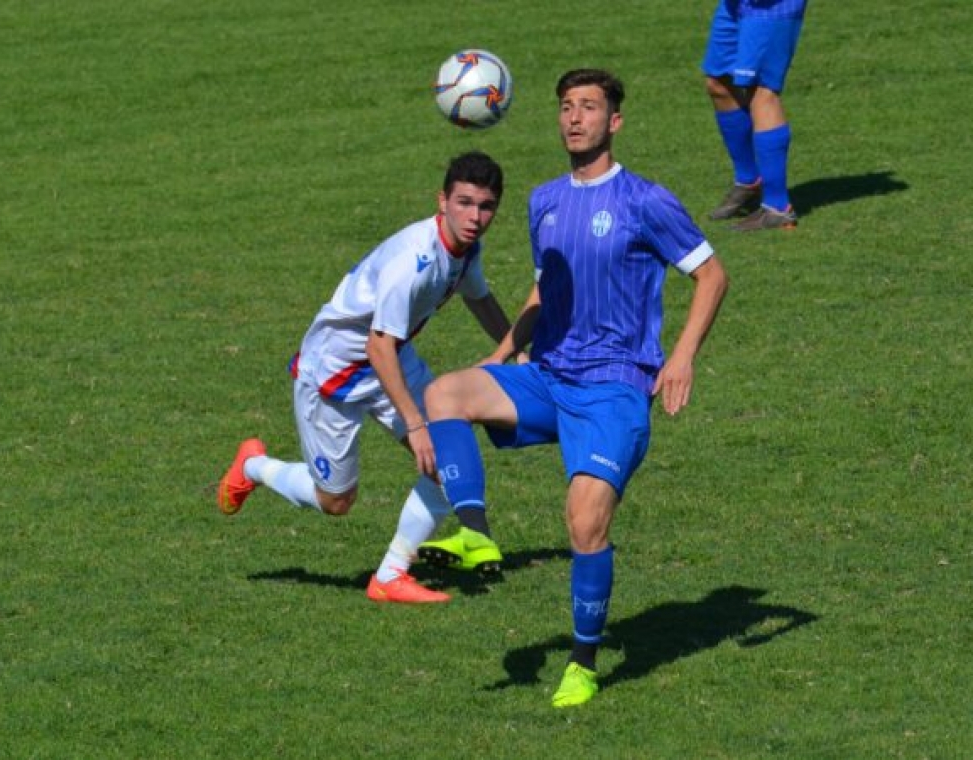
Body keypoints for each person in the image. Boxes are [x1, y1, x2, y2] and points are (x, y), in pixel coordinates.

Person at [421, 69, 729, 707]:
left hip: (614, 389)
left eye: (589, 107)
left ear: (613, 122)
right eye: (566, 107)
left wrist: (681, 358)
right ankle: (475, 529)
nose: (574, 118)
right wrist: (506, 351)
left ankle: (584, 662)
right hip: (549, 374)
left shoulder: (645, 201)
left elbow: (712, 276)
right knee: (446, 394)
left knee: (584, 522)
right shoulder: (543, 201)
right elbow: (543, 289)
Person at [213, 151, 514, 604]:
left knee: (447, 462)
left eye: (485, 206)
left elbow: (481, 300)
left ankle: (391, 575)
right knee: (336, 502)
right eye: (465, 203)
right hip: (336, 374)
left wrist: (518, 350)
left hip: (393, 357)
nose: (474, 217)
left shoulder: (466, 251)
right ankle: (253, 466)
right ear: (442, 201)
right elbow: (376, 346)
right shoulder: (414, 261)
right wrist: (414, 425)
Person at [702, 0, 808, 231]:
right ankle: (749, 181)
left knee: (762, 91)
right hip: (735, 5)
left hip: (769, 8)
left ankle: (777, 208)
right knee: (718, 82)